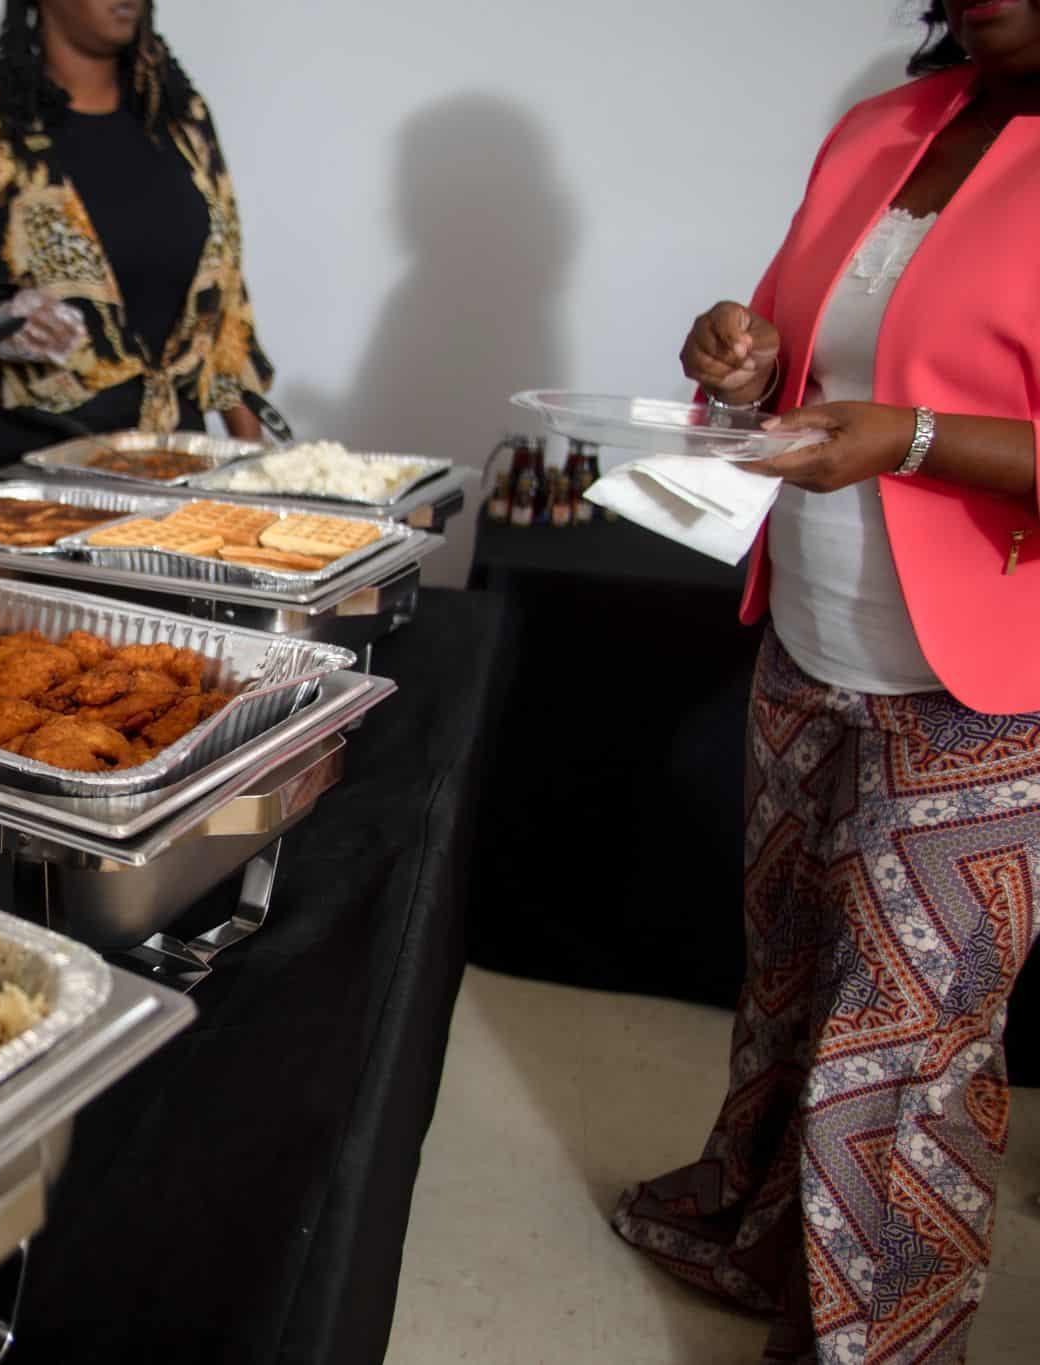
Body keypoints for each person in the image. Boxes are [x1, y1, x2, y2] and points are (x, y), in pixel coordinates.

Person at [612, 4, 1040, 1360]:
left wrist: (912, 438)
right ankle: (759, 1234)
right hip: (807, 629)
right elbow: (801, 373)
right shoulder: (882, 127)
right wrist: (741, 365)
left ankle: (877, 1342)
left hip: (991, 681)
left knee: (906, 1046)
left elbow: (898, 415)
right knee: (790, 981)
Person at [0, 0, 274, 476]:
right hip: (46, 483)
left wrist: (256, 471)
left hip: (181, 472)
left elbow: (227, 317)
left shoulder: (182, 123)